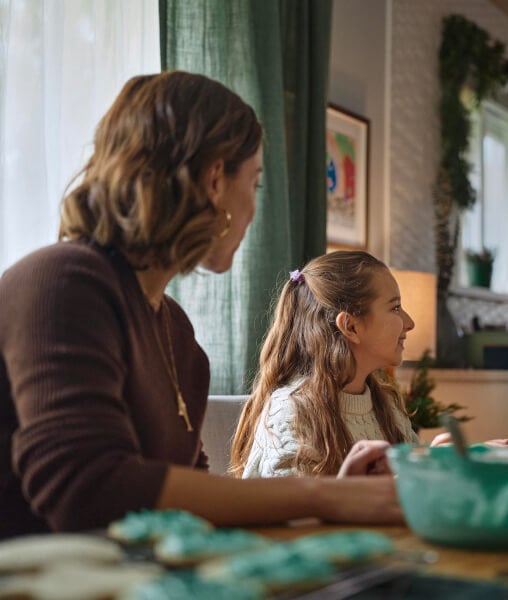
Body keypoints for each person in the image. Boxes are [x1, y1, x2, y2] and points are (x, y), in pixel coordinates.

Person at [0, 71, 401, 540]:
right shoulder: (61, 283)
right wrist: (320, 495)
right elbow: (86, 490)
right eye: (254, 183)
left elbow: (189, 500)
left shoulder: (175, 331)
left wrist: (332, 496)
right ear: (215, 180)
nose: (253, 208)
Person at [230, 251, 420, 478]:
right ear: (350, 327)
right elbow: (290, 511)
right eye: (395, 308)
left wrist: (442, 464)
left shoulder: (388, 406)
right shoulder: (291, 412)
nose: (410, 323)